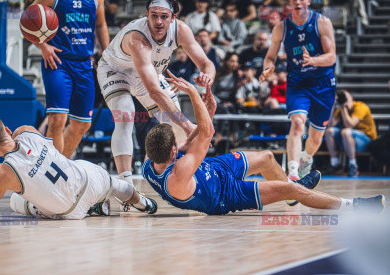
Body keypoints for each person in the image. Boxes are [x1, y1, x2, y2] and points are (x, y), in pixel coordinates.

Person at [143, 73, 385, 215]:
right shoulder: (178, 174)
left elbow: (197, 135)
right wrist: (194, 94)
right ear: (172, 151)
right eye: (177, 145)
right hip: (222, 195)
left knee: (268, 158)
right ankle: (353, 206)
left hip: (215, 169)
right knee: (290, 188)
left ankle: (294, 194)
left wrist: (208, 111)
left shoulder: (152, 159)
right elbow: (207, 134)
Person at [0, 113, 157, 220]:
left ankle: (93, 209)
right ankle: (142, 203)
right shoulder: (26, 131)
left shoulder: (2, 173)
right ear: (7, 129)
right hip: (87, 180)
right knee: (113, 182)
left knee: (17, 202)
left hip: (69, 212)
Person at [97, 0, 215, 193]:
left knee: (174, 128)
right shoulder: (137, 38)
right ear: (146, 14)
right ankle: (125, 187)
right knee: (125, 114)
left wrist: (207, 78)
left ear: (173, 18)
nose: (158, 21)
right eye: (153, 16)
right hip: (116, 71)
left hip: (148, 72)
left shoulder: (181, 30)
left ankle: (172, 177)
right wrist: (187, 124)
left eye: (164, 16)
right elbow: (153, 91)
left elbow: (206, 63)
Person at [31, 0, 109, 158]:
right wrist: (43, 46)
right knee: (57, 120)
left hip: (84, 64)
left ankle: (58, 166)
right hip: (58, 63)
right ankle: (53, 171)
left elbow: (101, 25)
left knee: (83, 124)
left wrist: (106, 55)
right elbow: (26, 22)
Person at [260, 0, 337, 181]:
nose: (298, 2)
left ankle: (307, 158)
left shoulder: (322, 22)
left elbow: (331, 57)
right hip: (298, 83)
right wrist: (268, 68)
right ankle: (293, 172)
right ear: (289, 1)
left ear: (309, 1)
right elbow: (270, 57)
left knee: (316, 137)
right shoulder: (281, 27)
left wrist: (313, 60)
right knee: (297, 124)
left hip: (323, 84)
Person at [324, 90, 377, 177]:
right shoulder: (339, 110)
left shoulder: (361, 107)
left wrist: (343, 107)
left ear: (351, 98)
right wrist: (332, 105)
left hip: (367, 142)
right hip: (349, 140)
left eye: (345, 99)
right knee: (329, 132)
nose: (344, 101)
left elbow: (350, 124)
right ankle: (335, 164)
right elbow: (330, 124)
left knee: (346, 131)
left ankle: (353, 165)